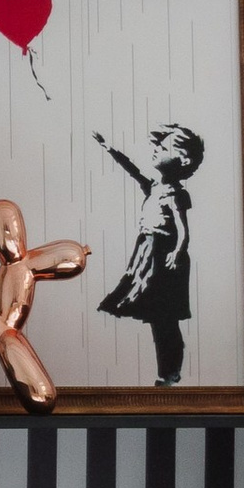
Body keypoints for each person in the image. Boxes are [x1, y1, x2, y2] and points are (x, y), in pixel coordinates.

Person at [93, 122, 203, 384]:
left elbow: (183, 230)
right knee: (156, 316)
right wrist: (109, 148)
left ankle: (170, 373)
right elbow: (132, 169)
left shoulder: (177, 193)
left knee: (165, 318)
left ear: (182, 159)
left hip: (165, 256)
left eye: (162, 148)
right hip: (147, 253)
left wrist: (176, 252)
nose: (155, 151)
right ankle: (166, 372)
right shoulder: (154, 186)